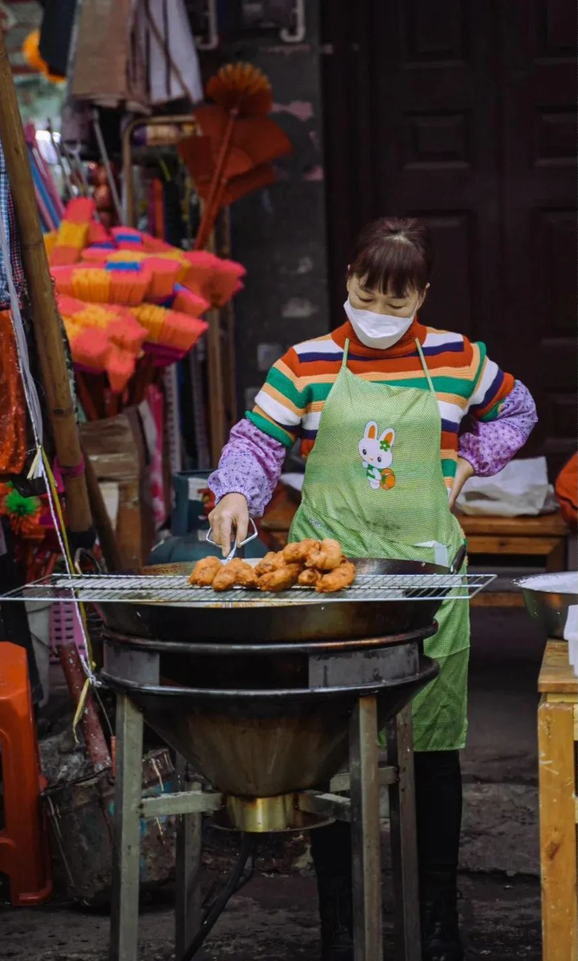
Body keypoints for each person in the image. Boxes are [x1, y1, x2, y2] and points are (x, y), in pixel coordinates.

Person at [208, 217, 537, 961]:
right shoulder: (309, 362)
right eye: (365, 293)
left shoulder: (458, 358)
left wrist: (469, 460)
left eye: (395, 300)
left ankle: (438, 916)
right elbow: (259, 438)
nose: (377, 312)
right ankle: (339, 922)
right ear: (347, 282)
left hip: (428, 580)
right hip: (332, 581)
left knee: (433, 749)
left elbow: (519, 409)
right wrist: (235, 492)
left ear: (422, 293)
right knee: (333, 752)